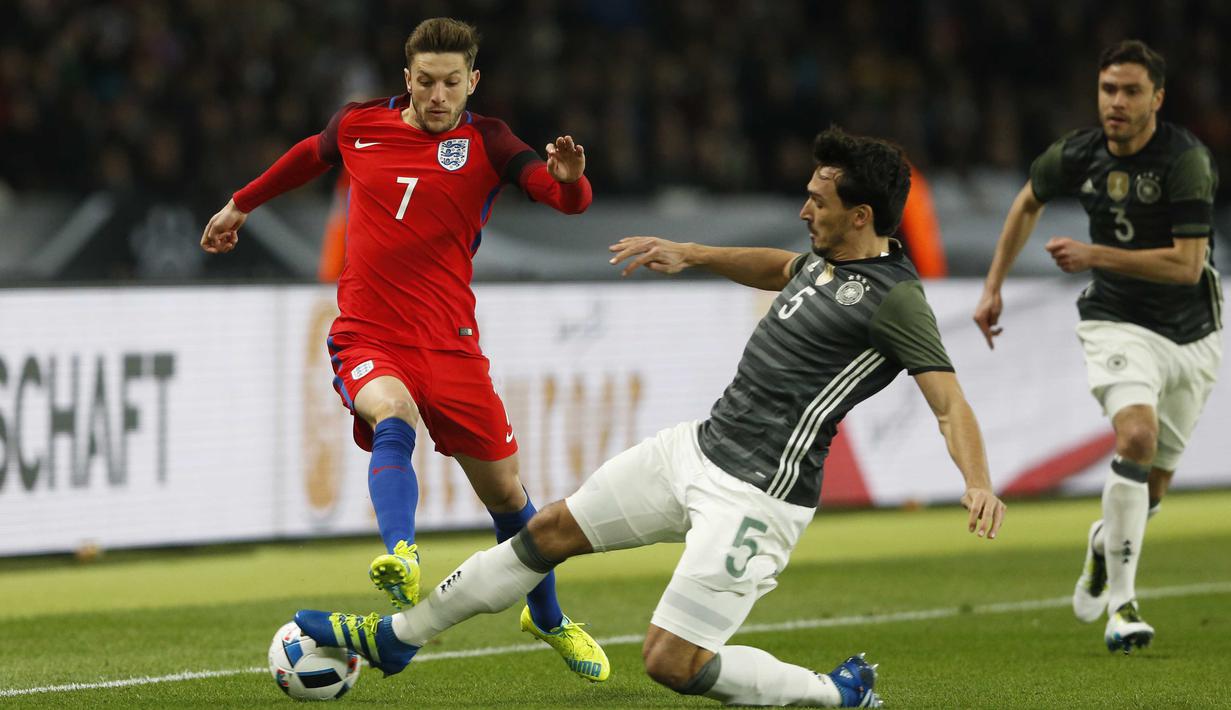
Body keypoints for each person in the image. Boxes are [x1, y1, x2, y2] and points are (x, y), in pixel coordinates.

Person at [294, 127, 1007, 707]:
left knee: (671, 661)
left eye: (816, 201)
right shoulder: (823, 260)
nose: (802, 211)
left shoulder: (895, 300)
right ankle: (398, 637)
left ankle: (836, 694)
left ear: (860, 217)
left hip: (758, 497)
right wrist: (690, 252)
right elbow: (776, 267)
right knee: (547, 531)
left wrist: (977, 481)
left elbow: (949, 403)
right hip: (696, 449)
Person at [199, 17, 609, 680]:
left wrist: (570, 180)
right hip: (369, 332)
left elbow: (564, 200)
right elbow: (308, 155)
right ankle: (402, 553)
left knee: (508, 497)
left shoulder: (490, 141)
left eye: (451, 82)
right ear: (407, 79)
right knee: (393, 414)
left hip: (451, 346)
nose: (438, 95)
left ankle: (549, 617)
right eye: (426, 81)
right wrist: (241, 204)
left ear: (472, 81)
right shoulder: (359, 124)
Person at [972, 39, 1221, 654]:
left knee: (1152, 486)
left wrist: (1094, 254)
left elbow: (1188, 266)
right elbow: (1027, 201)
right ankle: (1123, 607)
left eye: (1132, 91)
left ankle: (1104, 542)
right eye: (1109, 89)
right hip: (1116, 320)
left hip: (1191, 332)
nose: (1117, 102)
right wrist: (993, 285)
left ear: (1157, 99)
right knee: (1135, 436)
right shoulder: (1079, 152)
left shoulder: (1185, 160)